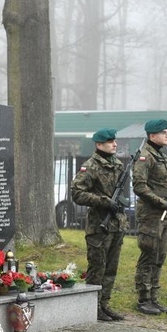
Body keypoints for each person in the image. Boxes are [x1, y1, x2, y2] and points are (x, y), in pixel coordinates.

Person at [132, 119, 167, 315]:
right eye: (164, 132)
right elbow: (139, 187)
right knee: (149, 255)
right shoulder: (145, 157)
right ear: (152, 136)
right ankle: (143, 298)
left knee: (160, 256)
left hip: (163, 215)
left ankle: (154, 298)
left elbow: (164, 188)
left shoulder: (161, 156)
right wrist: (161, 203)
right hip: (150, 215)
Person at [70, 128, 127, 322]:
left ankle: (104, 304)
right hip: (98, 227)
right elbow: (77, 193)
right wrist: (103, 201)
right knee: (97, 268)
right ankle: (92, 307)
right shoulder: (90, 166)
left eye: (114, 141)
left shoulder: (118, 165)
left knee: (111, 268)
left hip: (116, 225)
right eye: (110, 141)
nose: (114, 144)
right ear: (99, 145)